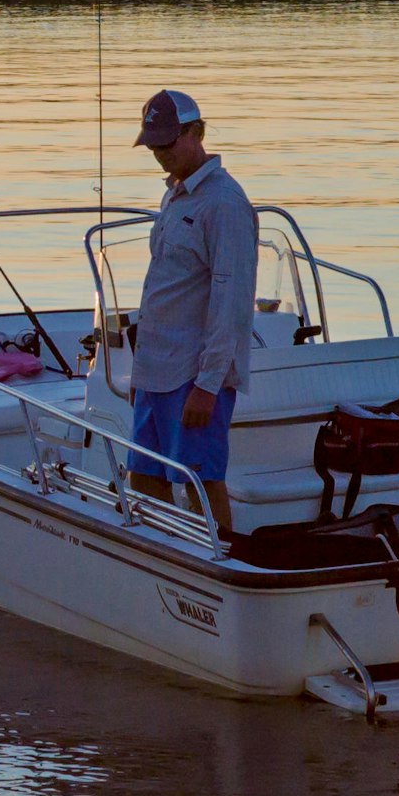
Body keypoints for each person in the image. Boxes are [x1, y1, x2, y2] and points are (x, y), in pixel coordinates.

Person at [129, 88, 257, 536]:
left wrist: (207, 385)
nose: (161, 154)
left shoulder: (225, 204)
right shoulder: (176, 196)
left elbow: (232, 302)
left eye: (168, 142)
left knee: (202, 482)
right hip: (155, 371)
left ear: (196, 132)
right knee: (143, 477)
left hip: (194, 375)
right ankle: (161, 559)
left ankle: (220, 560)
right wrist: (140, 376)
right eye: (154, 145)